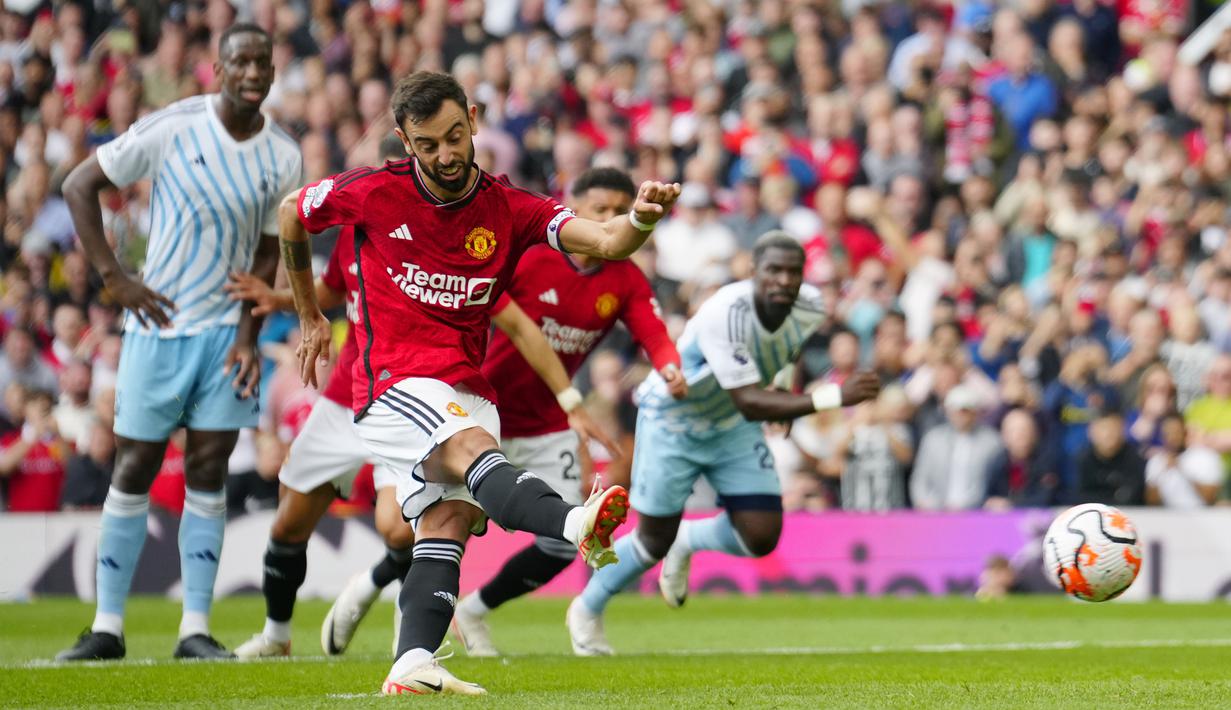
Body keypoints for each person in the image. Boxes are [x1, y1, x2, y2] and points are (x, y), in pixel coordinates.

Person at [280, 71, 680, 696]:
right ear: (403, 140)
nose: (444, 154)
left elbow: (606, 238)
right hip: (394, 380)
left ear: (472, 119)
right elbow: (291, 214)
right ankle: (576, 525)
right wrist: (309, 314)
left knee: (446, 525)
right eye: (427, 144)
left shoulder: (510, 207)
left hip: (467, 385)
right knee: (471, 453)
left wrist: (642, 220)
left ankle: (411, 661)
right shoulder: (373, 191)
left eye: (454, 136)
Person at [229, 211, 616, 659]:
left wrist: (570, 400)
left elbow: (517, 323)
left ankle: (408, 649)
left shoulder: (445, 250)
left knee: (402, 530)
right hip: (345, 401)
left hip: (415, 399)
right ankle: (277, 636)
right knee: (290, 522)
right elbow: (334, 286)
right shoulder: (356, 232)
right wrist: (285, 301)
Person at [56, 24, 302, 661]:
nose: (252, 71)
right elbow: (79, 185)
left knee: (208, 470)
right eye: (240, 61)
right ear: (217, 71)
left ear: (271, 74)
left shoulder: (284, 154)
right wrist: (114, 278)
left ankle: (194, 628)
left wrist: (250, 334)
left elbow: (269, 248)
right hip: (158, 327)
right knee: (134, 466)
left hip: (225, 337)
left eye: (261, 62)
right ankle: (107, 627)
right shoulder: (173, 127)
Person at [567, 231, 880, 656]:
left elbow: (788, 349)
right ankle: (587, 608)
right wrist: (834, 397)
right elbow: (750, 401)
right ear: (753, 273)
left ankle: (689, 540)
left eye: (792, 271)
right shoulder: (725, 312)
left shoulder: (810, 305)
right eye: (773, 270)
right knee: (652, 540)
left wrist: (784, 388)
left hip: (731, 423)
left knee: (761, 534)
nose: (783, 280)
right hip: (675, 421)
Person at [449, 167, 686, 657]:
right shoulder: (530, 254)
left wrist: (670, 368)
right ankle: (392, 612)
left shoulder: (624, 278)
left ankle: (473, 610)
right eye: (598, 210)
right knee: (451, 526)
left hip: (551, 421)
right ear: (571, 208)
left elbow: (653, 334)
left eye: (617, 211)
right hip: (480, 410)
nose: (607, 220)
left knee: (563, 541)